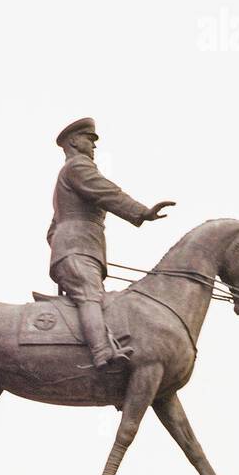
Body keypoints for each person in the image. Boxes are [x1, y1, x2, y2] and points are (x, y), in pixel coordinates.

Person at [48, 117, 175, 371]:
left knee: (93, 298)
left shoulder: (68, 175)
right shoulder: (78, 167)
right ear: (74, 141)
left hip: (77, 248)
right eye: (89, 139)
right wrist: (142, 212)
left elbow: (51, 231)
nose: (94, 146)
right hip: (79, 248)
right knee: (90, 296)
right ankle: (102, 354)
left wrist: (63, 247)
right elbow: (107, 192)